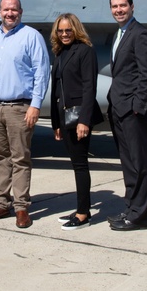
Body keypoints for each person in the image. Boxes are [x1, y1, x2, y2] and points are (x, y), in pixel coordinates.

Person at [0, 0, 50, 228]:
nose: (10, 14)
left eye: (14, 10)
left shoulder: (31, 36)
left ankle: (21, 207)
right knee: (1, 157)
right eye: (6, 10)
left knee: (20, 158)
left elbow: (42, 72)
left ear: (21, 11)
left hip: (20, 107)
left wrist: (35, 104)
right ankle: (1, 204)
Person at [106, 0, 147, 231]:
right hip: (119, 109)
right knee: (128, 164)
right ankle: (130, 208)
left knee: (141, 164)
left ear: (132, 7)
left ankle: (139, 217)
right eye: (115, 6)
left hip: (133, 111)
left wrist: (138, 108)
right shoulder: (119, 34)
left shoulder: (141, 34)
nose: (119, 10)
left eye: (123, 5)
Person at [49, 13, 104, 230]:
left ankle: (83, 214)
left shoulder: (85, 51)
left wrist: (84, 121)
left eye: (68, 30)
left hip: (78, 117)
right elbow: (56, 91)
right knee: (76, 164)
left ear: (76, 30)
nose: (64, 34)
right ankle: (82, 207)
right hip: (65, 118)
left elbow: (90, 87)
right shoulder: (60, 53)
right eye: (60, 31)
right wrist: (56, 123)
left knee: (80, 165)